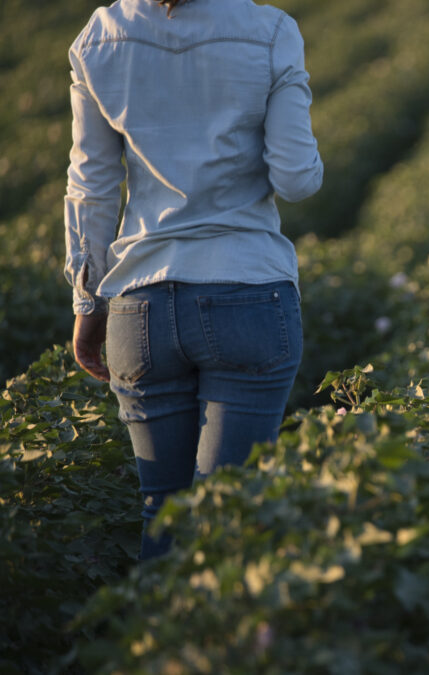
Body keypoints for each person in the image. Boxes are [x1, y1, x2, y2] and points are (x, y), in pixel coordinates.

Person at [65, 0, 323, 560]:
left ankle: (159, 617)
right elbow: (296, 178)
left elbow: (92, 184)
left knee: (163, 511)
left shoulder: (101, 36)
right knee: (228, 517)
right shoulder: (270, 31)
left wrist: (88, 303)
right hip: (247, 290)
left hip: (139, 305)